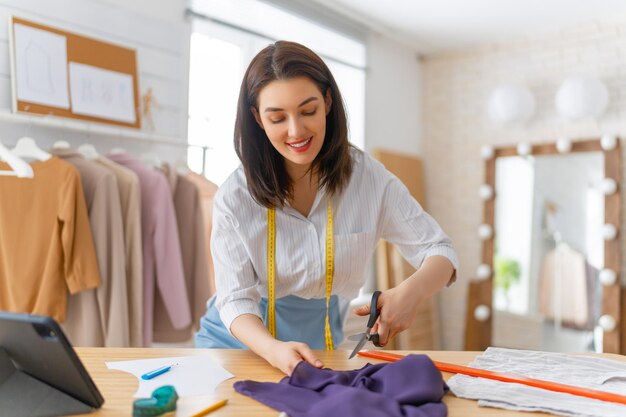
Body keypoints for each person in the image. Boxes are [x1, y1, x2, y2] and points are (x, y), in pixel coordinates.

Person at [195, 41, 458, 375]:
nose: (296, 131)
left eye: (308, 111)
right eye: (277, 118)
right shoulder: (236, 195)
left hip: (319, 346)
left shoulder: (367, 179)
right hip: (236, 347)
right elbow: (234, 299)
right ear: (257, 119)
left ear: (328, 102)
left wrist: (411, 292)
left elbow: (441, 251)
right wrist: (273, 350)